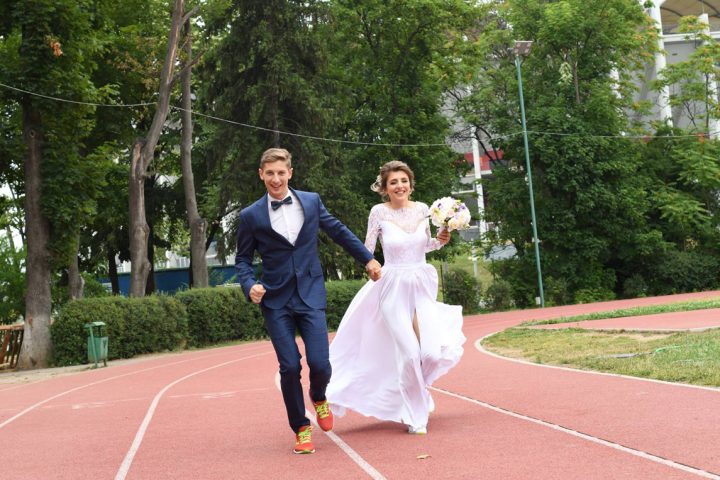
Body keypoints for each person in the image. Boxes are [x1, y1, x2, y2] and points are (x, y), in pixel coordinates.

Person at [235, 147, 382, 454]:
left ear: (290, 173)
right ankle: (301, 427)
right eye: (270, 173)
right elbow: (243, 260)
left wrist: (367, 259)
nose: (276, 179)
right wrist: (249, 285)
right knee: (289, 366)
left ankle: (318, 395)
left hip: (310, 293)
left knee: (320, 363)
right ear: (261, 175)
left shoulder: (311, 201)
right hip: (275, 299)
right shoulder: (250, 216)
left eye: (281, 172)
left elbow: (338, 231)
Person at [326, 160, 466, 435]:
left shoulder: (424, 209)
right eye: (393, 182)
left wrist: (440, 239)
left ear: (411, 184)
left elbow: (426, 245)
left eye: (403, 181)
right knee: (410, 354)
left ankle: (416, 390)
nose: (399, 186)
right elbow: (367, 249)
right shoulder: (378, 212)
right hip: (392, 287)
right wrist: (369, 265)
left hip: (421, 284)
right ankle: (416, 417)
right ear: (385, 188)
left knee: (430, 354)